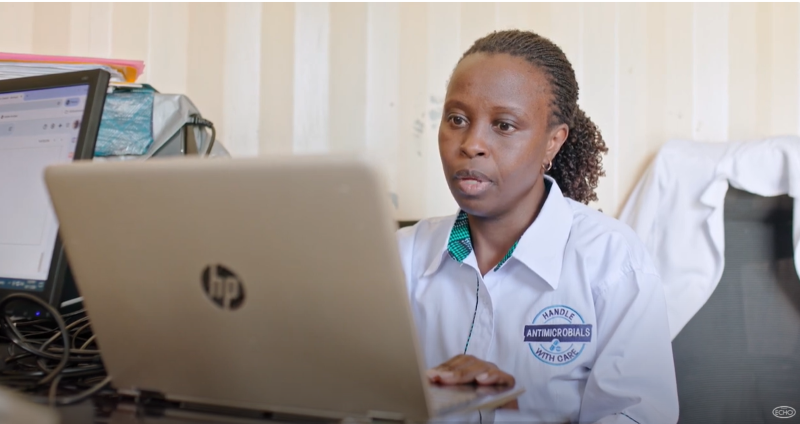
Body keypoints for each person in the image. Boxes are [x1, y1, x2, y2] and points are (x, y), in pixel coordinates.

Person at [397, 30, 679, 423]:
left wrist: (513, 412)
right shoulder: (399, 257)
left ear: (553, 142)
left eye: (504, 125)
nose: (471, 144)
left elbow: (638, 417)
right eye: (457, 119)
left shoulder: (611, 261)